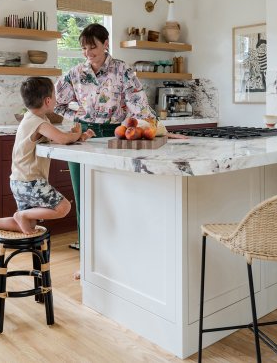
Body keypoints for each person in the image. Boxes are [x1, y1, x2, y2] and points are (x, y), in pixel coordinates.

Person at [54, 23, 185, 254]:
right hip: (83, 134)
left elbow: (139, 106)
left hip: (118, 134)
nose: (88, 53)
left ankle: (119, 246)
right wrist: (78, 114)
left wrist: (159, 129)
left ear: (106, 44)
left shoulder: (122, 70)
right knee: (83, 190)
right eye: (84, 48)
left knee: (118, 190)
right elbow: (57, 102)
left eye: (92, 47)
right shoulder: (75, 73)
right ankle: (87, 246)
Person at [0, 77, 95, 246]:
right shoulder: (38, 122)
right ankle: (22, 215)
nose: (56, 100)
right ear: (47, 101)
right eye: (54, 96)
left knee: (27, 224)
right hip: (30, 182)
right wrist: (75, 132)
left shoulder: (31, 118)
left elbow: (53, 139)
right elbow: (61, 138)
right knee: (64, 207)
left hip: (18, 181)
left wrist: (81, 137)